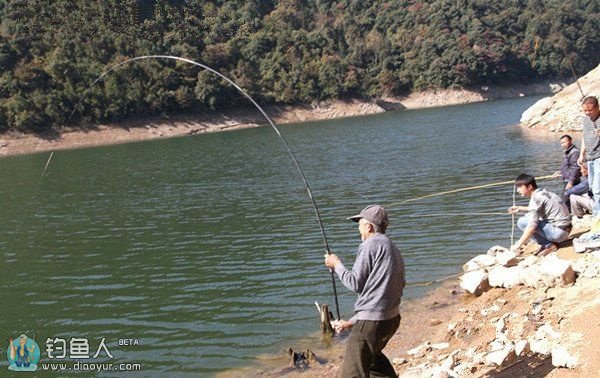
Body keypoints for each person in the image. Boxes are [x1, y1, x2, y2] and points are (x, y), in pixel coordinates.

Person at [324, 205, 405, 378]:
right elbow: (392, 290)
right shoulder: (393, 248)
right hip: (391, 320)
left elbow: (355, 284)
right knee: (374, 362)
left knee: (351, 373)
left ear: (369, 227)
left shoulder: (370, 244)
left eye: (359, 223)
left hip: (373, 323)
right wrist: (351, 322)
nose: (358, 228)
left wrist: (336, 264)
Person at [508, 174, 571, 256]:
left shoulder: (535, 198)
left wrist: (517, 245)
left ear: (529, 186)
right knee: (528, 217)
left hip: (559, 234)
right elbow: (535, 208)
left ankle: (549, 245)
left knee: (522, 222)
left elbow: (532, 227)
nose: (517, 190)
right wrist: (520, 208)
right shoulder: (543, 192)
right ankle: (549, 242)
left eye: (520, 187)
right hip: (566, 229)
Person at [577, 96, 600, 214]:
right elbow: (584, 137)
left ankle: (598, 215)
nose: (587, 113)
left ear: (597, 108)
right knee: (591, 186)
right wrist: (581, 154)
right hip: (590, 157)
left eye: (590, 110)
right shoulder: (586, 120)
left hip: (599, 156)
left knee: (597, 188)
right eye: (585, 110)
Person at [552, 134, 580, 208]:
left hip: (572, 180)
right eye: (561, 143)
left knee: (565, 199)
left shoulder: (574, 152)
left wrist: (570, 182)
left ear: (570, 141)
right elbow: (567, 166)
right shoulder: (567, 151)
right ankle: (571, 213)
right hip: (567, 178)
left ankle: (568, 214)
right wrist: (560, 172)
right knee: (569, 198)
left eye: (564, 142)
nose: (563, 145)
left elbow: (575, 168)